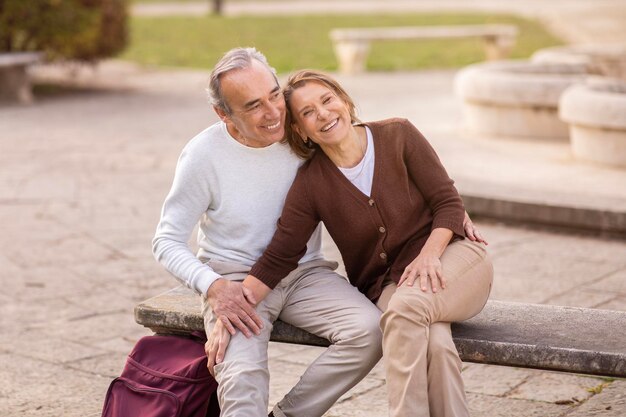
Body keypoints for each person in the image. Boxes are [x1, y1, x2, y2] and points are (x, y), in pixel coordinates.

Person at [234, 70, 494, 417]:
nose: (323, 114)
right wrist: (234, 305)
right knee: (435, 343)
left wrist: (430, 255)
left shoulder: (398, 134)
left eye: (327, 100)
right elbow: (283, 251)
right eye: (308, 112)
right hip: (391, 283)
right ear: (300, 130)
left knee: (405, 311)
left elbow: (448, 202)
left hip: (455, 260)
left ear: (344, 100)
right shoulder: (312, 183)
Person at [152, 48, 384, 417]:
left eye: (275, 94)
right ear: (223, 114)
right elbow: (165, 240)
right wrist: (214, 290)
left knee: (370, 330)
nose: (274, 112)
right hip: (236, 282)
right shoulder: (203, 155)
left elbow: (366, 156)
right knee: (241, 379)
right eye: (253, 105)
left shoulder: (303, 133)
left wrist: (446, 213)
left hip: (305, 274)